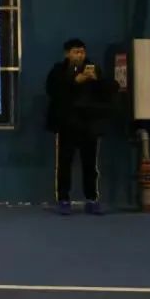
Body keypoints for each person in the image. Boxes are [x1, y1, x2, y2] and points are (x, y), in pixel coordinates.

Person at [45, 38, 115, 215]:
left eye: (82, 52)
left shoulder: (94, 69)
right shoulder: (58, 71)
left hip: (89, 124)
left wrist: (97, 80)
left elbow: (109, 90)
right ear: (67, 54)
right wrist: (76, 81)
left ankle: (91, 199)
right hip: (67, 124)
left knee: (90, 164)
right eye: (76, 52)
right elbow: (53, 90)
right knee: (64, 163)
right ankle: (63, 199)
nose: (80, 55)